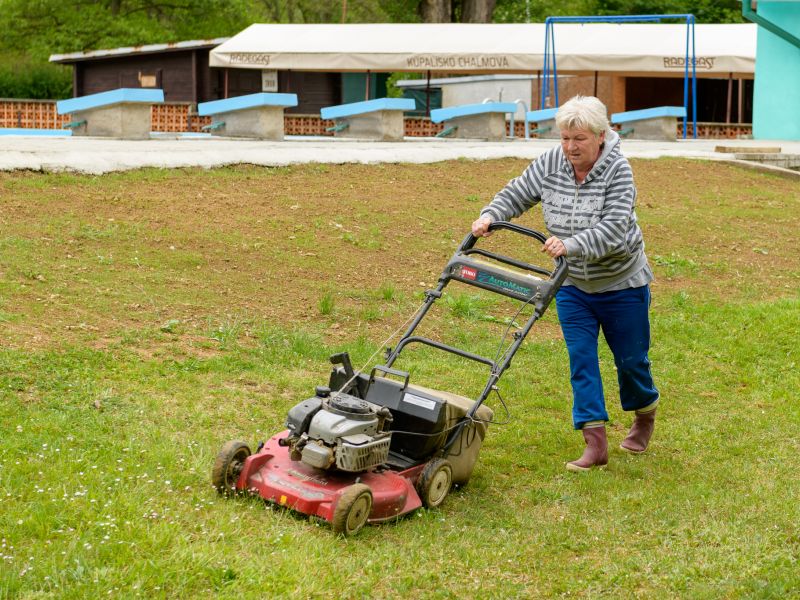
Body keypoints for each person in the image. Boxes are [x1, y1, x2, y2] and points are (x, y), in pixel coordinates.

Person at [472, 95, 659, 472]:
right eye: (565, 138)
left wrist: (570, 244)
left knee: (631, 362)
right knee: (582, 359)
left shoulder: (618, 171)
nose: (571, 147)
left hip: (622, 284)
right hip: (572, 286)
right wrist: (491, 215)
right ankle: (595, 442)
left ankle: (644, 415)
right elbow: (519, 191)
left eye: (580, 139)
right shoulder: (552, 162)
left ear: (601, 136)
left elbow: (614, 228)